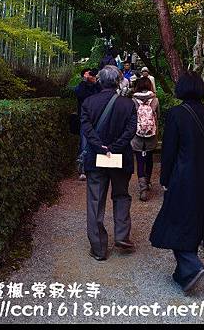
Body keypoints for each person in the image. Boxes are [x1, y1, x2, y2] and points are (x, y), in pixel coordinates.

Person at [149, 71, 204, 294]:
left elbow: (169, 150)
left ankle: (192, 264)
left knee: (173, 221)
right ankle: (183, 274)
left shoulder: (176, 114)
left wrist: (164, 178)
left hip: (182, 176)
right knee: (193, 220)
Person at [81, 65, 138, 261]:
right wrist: (114, 147)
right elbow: (131, 131)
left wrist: (101, 147)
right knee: (121, 195)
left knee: (95, 201)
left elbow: (87, 130)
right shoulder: (128, 105)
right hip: (120, 158)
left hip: (96, 159)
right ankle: (122, 236)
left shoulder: (88, 103)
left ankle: (98, 248)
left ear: (99, 80)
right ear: (117, 81)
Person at [131, 77, 159, 201]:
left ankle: (142, 188)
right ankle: (147, 182)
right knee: (149, 159)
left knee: (139, 160)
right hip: (151, 135)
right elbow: (158, 116)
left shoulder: (133, 100)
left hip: (137, 135)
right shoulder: (155, 100)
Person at [74, 68, 101, 180]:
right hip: (85, 119)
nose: (90, 75)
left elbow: (101, 95)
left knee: (98, 142)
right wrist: (84, 81)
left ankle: (97, 167)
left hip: (97, 119)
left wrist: (95, 82)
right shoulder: (81, 86)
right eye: (88, 74)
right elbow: (80, 94)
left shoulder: (96, 86)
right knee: (84, 143)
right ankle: (83, 169)